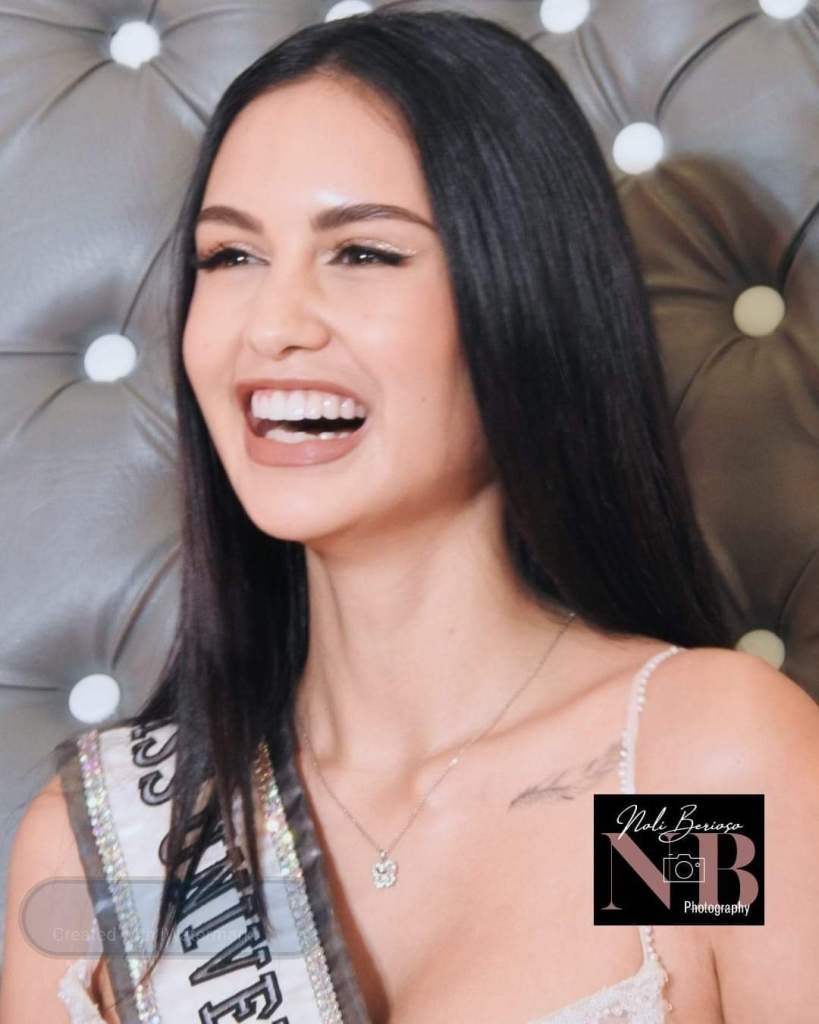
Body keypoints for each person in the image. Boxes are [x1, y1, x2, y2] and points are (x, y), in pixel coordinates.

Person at [2, 7, 818, 1023]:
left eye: (363, 253)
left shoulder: (664, 783)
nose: (272, 326)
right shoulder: (117, 849)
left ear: (522, 300)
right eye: (231, 256)